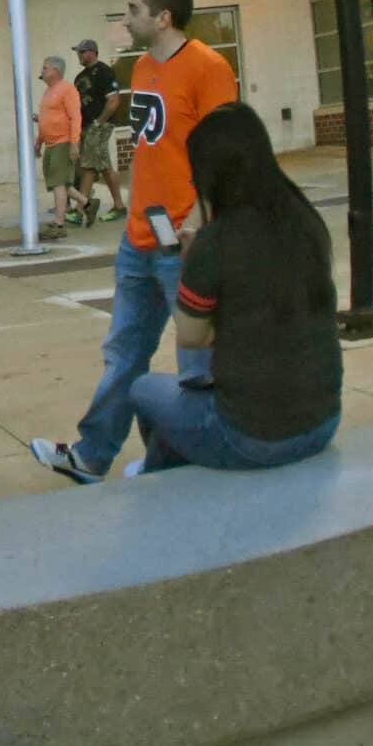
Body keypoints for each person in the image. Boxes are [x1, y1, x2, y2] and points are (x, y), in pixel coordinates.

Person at [31, 0, 236, 485]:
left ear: (163, 17)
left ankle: (199, 455)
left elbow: (229, 152)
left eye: (133, 10)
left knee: (198, 363)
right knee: (123, 354)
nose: (125, 19)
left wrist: (199, 218)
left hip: (184, 244)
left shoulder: (208, 68)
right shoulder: (141, 68)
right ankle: (92, 456)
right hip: (138, 240)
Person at [122, 103, 341, 476]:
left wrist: (189, 263)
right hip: (322, 423)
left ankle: (158, 482)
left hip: (250, 437)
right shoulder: (306, 222)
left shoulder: (215, 243)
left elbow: (192, 336)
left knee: (143, 390)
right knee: (186, 398)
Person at [70, 37, 125, 227]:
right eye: (78, 51)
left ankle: (80, 209)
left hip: (99, 126)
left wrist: (98, 122)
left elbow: (114, 101)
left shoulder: (103, 71)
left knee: (89, 166)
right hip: (85, 127)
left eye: (82, 51)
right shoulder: (79, 78)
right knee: (103, 165)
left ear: (92, 52)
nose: (79, 55)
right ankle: (118, 206)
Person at [34, 54, 77, 238]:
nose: (42, 72)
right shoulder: (48, 92)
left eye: (45, 68)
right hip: (51, 144)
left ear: (56, 71)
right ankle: (88, 204)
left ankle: (59, 225)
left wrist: (74, 143)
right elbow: (45, 120)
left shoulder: (67, 90)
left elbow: (76, 117)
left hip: (63, 141)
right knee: (58, 182)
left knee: (59, 183)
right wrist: (39, 142)